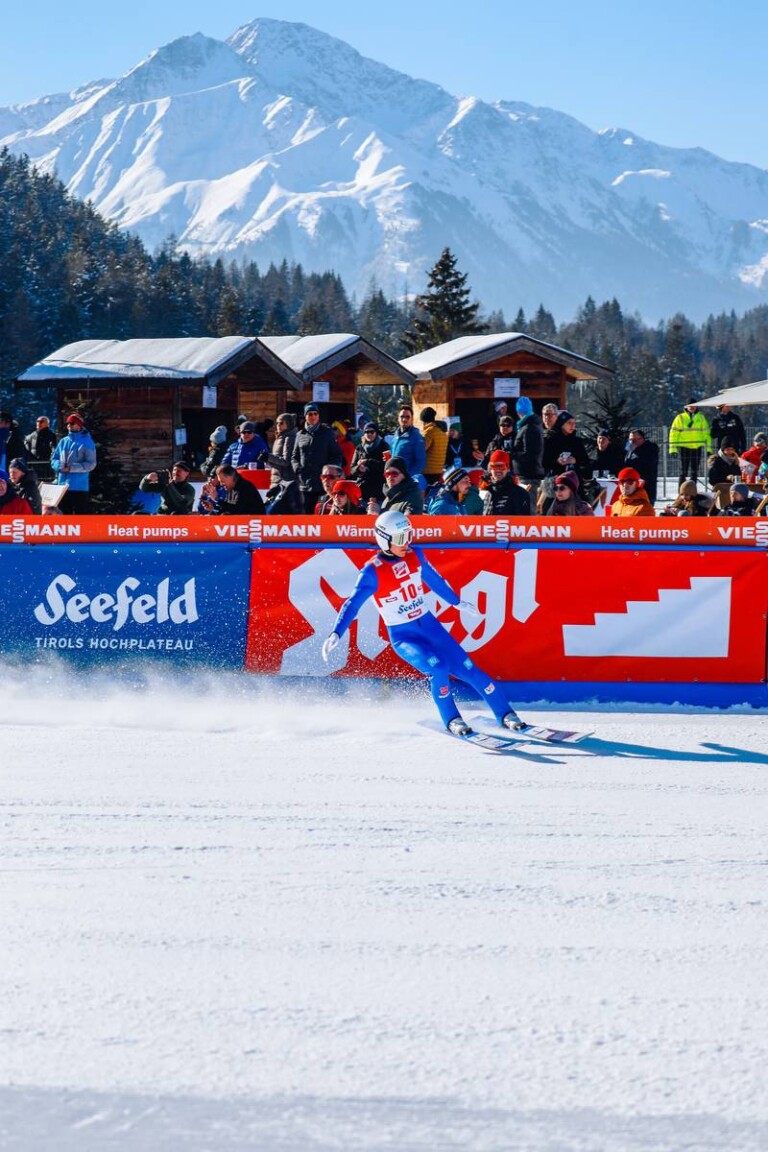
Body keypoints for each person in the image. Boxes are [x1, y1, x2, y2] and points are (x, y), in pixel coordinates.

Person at [321, 510, 525, 736]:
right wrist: (336, 632)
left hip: (430, 627)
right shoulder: (372, 572)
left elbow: (434, 580)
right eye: (400, 539)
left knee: (469, 669)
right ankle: (452, 719)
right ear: (383, 539)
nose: (406, 543)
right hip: (404, 636)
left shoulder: (415, 554)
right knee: (438, 668)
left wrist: (456, 602)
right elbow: (352, 604)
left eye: (409, 535)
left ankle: (505, 714)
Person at [292, 403, 344, 513]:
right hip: (305, 483)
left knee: (322, 513)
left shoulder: (327, 433)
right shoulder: (300, 435)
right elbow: (294, 457)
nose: (313, 416)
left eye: (315, 414)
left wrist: (329, 472)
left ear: (318, 416)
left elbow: (337, 455)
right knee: (306, 515)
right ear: (305, 416)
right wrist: (298, 469)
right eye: (310, 414)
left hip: (323, 484)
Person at [50, 412, 97, 514]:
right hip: (62, 486)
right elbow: (54, 459)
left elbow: (91, 464)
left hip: (79, 487)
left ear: (79, 425)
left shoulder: (87, 442)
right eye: (68, 423)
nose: (68, 425)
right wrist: (59, 466)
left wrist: (72, 468)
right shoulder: (63, 441)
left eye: (72, 423)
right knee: (64, 517)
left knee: (80, 518)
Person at [542, 411, 592, 492]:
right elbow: (544, 462)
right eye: (569, 423)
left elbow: (586, 463)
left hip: (574, 483)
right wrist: (557, 461)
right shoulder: (549, 440)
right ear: (561, 424)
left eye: (574, 423)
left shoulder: (577, 441)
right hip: (555, 483)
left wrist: (575, 460)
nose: (572, 425)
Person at [669, 400, 711, 486]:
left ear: (697, 406)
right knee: (683, 471)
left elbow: (706, 434)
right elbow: (673, 434)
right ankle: (681, 493)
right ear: (686, 407)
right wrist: (673, 449)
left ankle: (692, 492)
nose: (692, 407)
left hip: (697, 447)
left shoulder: (701, 418)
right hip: (684, 447)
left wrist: (708, 448)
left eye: (694, 405)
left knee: (694, 471)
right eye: (689, 405)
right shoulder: (680, 417)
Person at [510, 396, 544, 505]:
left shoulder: (529, 428)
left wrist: (512, 454)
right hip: (527, 475)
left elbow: (530, 454)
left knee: (529, 509)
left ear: (519, 411)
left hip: (528, 476)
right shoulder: (530, 425)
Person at [200, 464, 266, 515]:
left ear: (231, 477)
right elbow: (226, 510)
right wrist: (212, 509)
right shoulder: (231, 488)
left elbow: (235, 512)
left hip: (254, 524)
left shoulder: (244, 487)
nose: (221, 484)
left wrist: (216, 498)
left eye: (222, 481)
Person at [481, 451, 531, 516]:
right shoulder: (489, 493)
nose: (498, 470)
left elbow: (524, 523)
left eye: (501, 466)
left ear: (508, 468)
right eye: (494, 466)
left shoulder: (519, 493)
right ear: (490, 469)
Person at [349, 421, 387, 506]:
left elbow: (385, 466)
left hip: (378, 489)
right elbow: (352, 469)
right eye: (366, 432)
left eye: (371, 432)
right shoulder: (360, 447)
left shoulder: (383, 446)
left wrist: (368, 462)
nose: (369, 434)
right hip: (362, 489)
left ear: (376, 433)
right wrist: (358, 468)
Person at [389, 405, 427, 486]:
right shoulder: (396, 435)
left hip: (406, 481)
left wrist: (407, 477)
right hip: (394, 478)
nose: (404, 419)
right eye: (402, 416)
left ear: (412, 419)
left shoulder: (416, 437)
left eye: (407, 417)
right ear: (398, 418)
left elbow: (421, 462)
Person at [623, 429, 659, 505]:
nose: (632, 442)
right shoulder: (630, 451)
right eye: (630, 440)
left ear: (641, 439)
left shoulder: (650, 449)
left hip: (646, 488)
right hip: (632, 487)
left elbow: (648, 465)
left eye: (634, 440)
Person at [707, 440, 744, 510]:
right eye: (727, 449)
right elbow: (712, 480)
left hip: (734, 491)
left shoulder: (735, 461)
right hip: (721, 493)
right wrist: (726, 478)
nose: (730, 451)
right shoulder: (717, 461)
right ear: (723, 450)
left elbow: (739, 475)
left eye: (732, 449)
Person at [419, 407, 449, 485]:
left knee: (425, 494)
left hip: (427, 470)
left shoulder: (429, 432)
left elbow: (421, 449)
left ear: (423, 420)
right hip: (439, 470)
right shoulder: (442, 432)